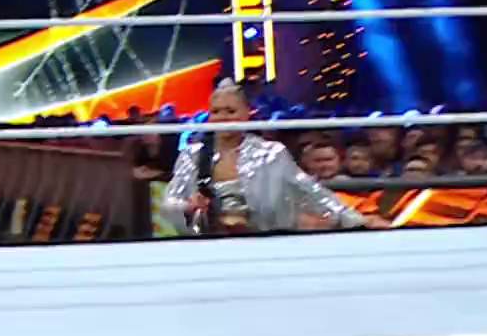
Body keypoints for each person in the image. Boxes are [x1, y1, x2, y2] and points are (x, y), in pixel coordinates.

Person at [162, 80, 389, 234]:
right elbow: (169, 202)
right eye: (216, 111)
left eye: (230, 111)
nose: (222, 117)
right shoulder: (192, 155)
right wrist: (188, 206)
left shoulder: (270, 154)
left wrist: (356, 220)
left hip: (264, 241)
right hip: (210, 244)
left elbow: (312, 192)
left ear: (247, 114)